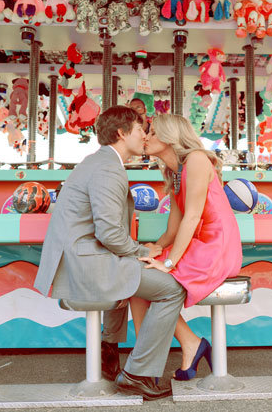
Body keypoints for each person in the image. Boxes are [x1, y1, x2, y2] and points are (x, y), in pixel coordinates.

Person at [33, 105, 186, 400]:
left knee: (137, 270)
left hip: (82, 257)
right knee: (171, 288)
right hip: (84, 262)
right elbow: (110, 234)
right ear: (121, 133)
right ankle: (136, 374)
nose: (144, 135)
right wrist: (145, 251)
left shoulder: (101, 162)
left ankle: (111, 350)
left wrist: (140, 253)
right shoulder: (107, 168)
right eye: (140, 129)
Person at [131, 114, 243, 381]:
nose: (146, 137)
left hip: (216, 247)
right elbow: (174, 228)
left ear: (171, 138)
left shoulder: (195, 160)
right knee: (135, 282)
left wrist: (167, 264)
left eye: (154, 132)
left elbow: (193, 218)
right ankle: (169, 350)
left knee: (145, 279)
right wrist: (155, 249)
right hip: (198, 244)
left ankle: (156, 360)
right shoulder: (175, 170)